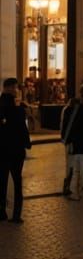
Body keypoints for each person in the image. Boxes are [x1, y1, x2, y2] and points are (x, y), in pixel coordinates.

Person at [0, 78, 30, 222]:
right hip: (16, 151)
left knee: (2, 181)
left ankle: (1, 211)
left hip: (2, 150)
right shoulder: (18, 109)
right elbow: (23, 129)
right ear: (11, 88)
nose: (17, 90)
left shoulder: (3, 105)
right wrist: (26, 143)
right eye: (16, 87)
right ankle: (16, 215)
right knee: (17, 182)